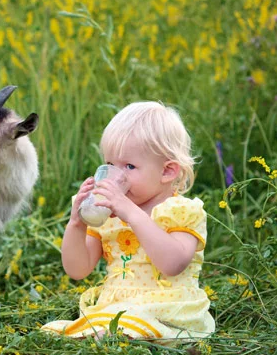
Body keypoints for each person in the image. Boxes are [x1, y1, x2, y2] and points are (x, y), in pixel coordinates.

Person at [42, 101, 215, 342]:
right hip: (118, 306)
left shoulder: (181, 211)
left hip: (170, 308)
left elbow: (173, 263)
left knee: (125, 322)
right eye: (111, 165)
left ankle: (121, 334)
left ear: (167, 171)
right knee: (76, 327)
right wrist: (77, 224)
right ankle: (114, 333)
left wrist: (131, 213)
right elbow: (77, 269)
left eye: (130, 166)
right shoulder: (108, 215)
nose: (116, 176)